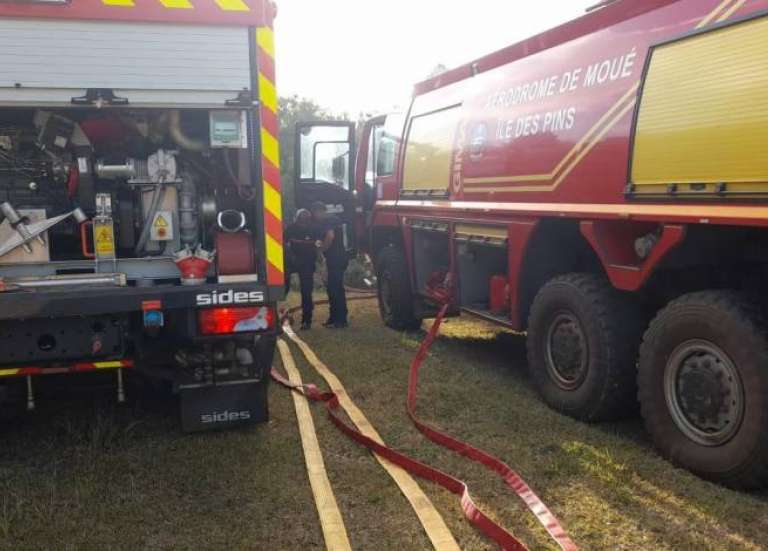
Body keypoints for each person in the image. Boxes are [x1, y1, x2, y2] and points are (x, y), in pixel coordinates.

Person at [311, 201, 348, 329]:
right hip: (339, 257)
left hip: (335, 258)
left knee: (334, 289)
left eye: (314, 213)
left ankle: (340, 320)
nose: (314, 217)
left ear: (318, 211)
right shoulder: (335, 219)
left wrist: (322, 250)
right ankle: (334, 318)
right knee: (335, 288)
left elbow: (330, 236)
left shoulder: (328, 220)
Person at [284, 209, 320, 330]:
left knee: (306, 292)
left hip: (303, 263)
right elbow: (282, 241)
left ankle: (306, 320)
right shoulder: (293, 228)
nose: (304, 221)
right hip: (293, 262)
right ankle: (305, 320)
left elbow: (318, 243)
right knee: (298, 290)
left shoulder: (312, 229)